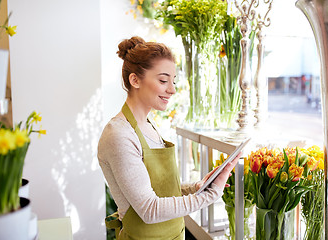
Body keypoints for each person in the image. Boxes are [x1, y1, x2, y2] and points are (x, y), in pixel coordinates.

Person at [97, 36, 240, 240]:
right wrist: (208, 196)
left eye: (172, 81)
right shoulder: (119, 134)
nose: (172, 89)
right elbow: (149, 209)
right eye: (163, 80)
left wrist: (195, 188)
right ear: (135, 80)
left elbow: (156, 189)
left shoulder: (149, 126)